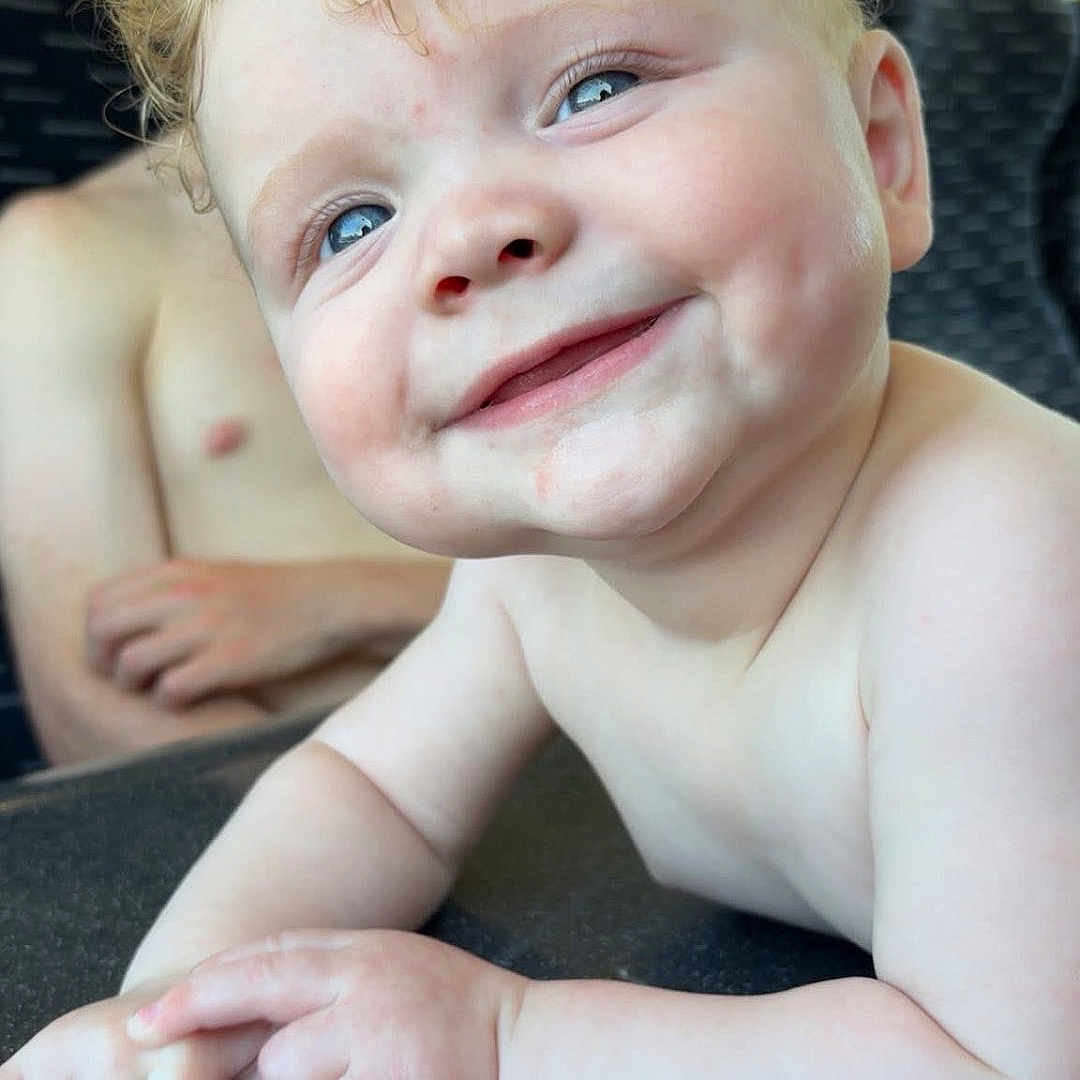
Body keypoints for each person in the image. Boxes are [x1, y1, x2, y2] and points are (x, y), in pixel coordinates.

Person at [4, 0, 1079, 1075]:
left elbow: (996, 1062)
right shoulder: (535, 581)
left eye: (595, 91)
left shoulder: (1005, 555)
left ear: (882, 149)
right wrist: (175, 1013)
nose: (472, 235)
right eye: (351, 224)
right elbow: (368, 792)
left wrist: (507, 1038)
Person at [0, 145, 451, 767]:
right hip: (310, 822)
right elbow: (92, 710)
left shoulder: (495, 200)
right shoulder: (69, 248)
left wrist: (348, 603)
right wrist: (394, 837)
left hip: (593, 739)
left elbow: (622, 564)